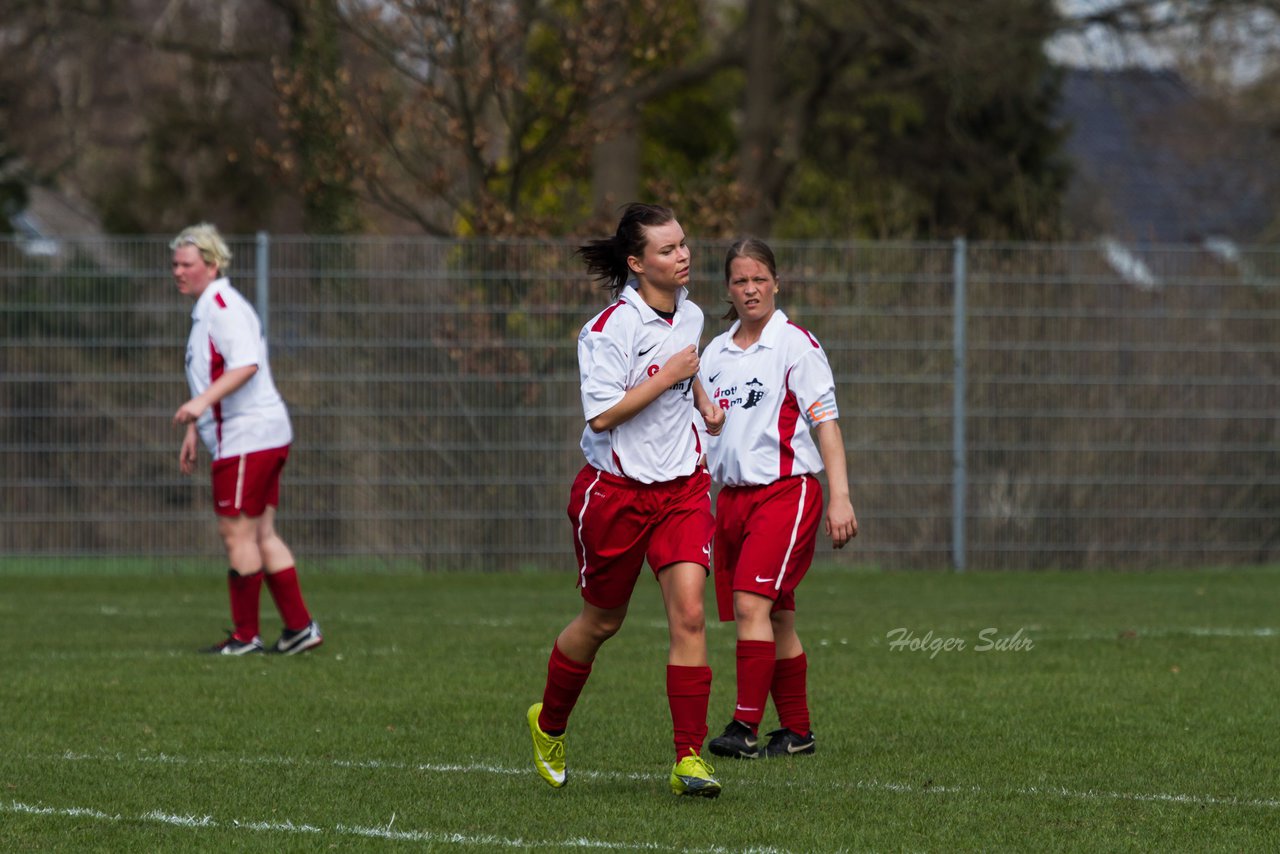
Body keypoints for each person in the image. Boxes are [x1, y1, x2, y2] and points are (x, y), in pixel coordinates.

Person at [526, 203, 727, 797]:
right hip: (613, 494)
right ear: (637, 264)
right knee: (602, 621)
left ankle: (688, 758)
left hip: (684, 490)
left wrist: (704, 402)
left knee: (690, 615)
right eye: (667, 250)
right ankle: (550, 724)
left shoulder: (689, 314)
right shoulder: (608, 328)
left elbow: (687, 376)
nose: (683, 255)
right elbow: (604, 414)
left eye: (684, 244)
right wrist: (667, 377)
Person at [699, 237, 858, 760]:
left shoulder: (796, 345)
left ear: (775, 282)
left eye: (759, 279)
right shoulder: (715, 354)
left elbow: (826, 424)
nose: (751, 289)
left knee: (751, 604)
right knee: (776, 617)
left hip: (787, 494)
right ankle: (797, 732)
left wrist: (841, 498)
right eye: (740, 281)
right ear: (729, 288)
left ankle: (743, 727)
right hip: (734, 501)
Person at [170, 222, 323, 656]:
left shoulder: (223, 306)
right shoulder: (208, 309)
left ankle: (244, 636)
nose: (178, 271)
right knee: (261, 533)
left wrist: (198, 407)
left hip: (248, 436)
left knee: (236, 534)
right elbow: (213, 375)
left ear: (212, 264)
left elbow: (246, 365)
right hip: (259, 434)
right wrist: (193, 430)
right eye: (175, 264)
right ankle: (299, 630)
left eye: (187, 264)